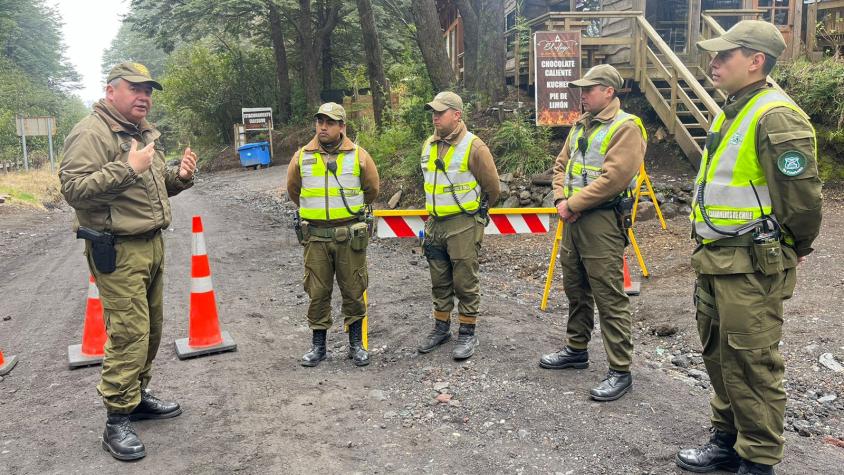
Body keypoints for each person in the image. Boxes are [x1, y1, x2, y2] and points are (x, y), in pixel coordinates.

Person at [675, 21, 822, 475]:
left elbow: (802, 203)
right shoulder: (734, 109)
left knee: (753, 363)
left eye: (725, 55)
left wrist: (793, 247)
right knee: (719, 358)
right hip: (717, 259)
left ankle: (757, 461)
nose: (714, 62)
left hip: (752, 264)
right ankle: (726, 442)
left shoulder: (774, 115)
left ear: (756, 61)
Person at [59, 62, 195, 461]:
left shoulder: (139, 133)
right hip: (116, 249)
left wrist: (180, 176)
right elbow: (74, 190)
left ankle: (135, 398)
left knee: (151, 329)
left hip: (150, 244)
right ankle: (116, 418)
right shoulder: (91, 132)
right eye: (135, 88)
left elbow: (151, 188)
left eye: (148, 90)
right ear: (110, 91)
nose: (144, 97)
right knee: (130, 332)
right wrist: (125, 168)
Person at [541, 64, 647, 402]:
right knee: (575, 286)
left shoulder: (625, 127)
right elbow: (560, 166)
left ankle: (620, 369)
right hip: (573, 219)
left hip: (601, 221)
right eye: (581, 90)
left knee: (609, 295)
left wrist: (572, 204)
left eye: (589, 89)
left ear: (609, 91)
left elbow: (614, 179)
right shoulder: (580, 126)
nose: (582, 95)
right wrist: (561, 199)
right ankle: (576, 349)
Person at [286, 102, 379, 368]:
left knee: (353, 289)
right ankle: (318, 346)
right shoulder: (301, 156)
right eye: (319, 122)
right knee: (317, 291)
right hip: (315, 236)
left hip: (349, 236)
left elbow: (371, 189)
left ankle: (356, 345)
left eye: (329, 122)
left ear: (342, 127)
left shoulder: (359, 156)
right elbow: (294, 190)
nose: (323, 127)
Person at [416, 91, 500, 360]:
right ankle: (441, 328)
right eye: (433, 112)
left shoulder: (473, 146)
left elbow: (492, 187)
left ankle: (467, 333)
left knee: (464, 280)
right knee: (439, 280)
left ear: (457, 115)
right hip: (435, 224)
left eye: (440, 112)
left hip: (462, 223)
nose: (435, 117)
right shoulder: (429, 144)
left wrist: (477, 214)